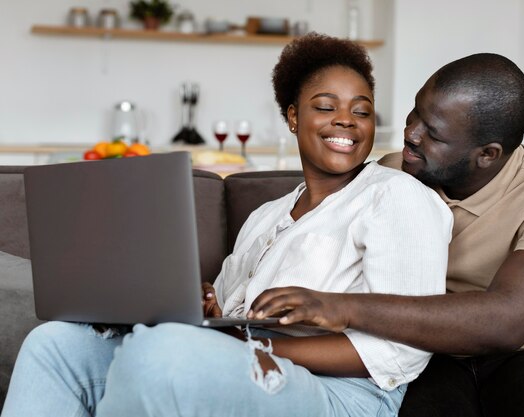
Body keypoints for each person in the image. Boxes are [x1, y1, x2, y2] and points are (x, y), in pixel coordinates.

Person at [1, 34, 452, 417]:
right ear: (293, 116)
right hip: (243, 362)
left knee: (160, 353)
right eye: (325, 106)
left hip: (342, 393)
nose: (345, 121)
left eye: (361, 110)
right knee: (55, 344)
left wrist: (246, 348)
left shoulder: (396, 196)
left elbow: (402, 352)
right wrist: (211, 311)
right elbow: (234, 321)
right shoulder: (266, 216)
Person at [248, 53, 524, 417]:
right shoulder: (391, 176)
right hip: (427, 356)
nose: (410, 134)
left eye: (432, 133)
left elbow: (507, 321)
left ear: (487, 155)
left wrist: (339, 307)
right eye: (414, 113)